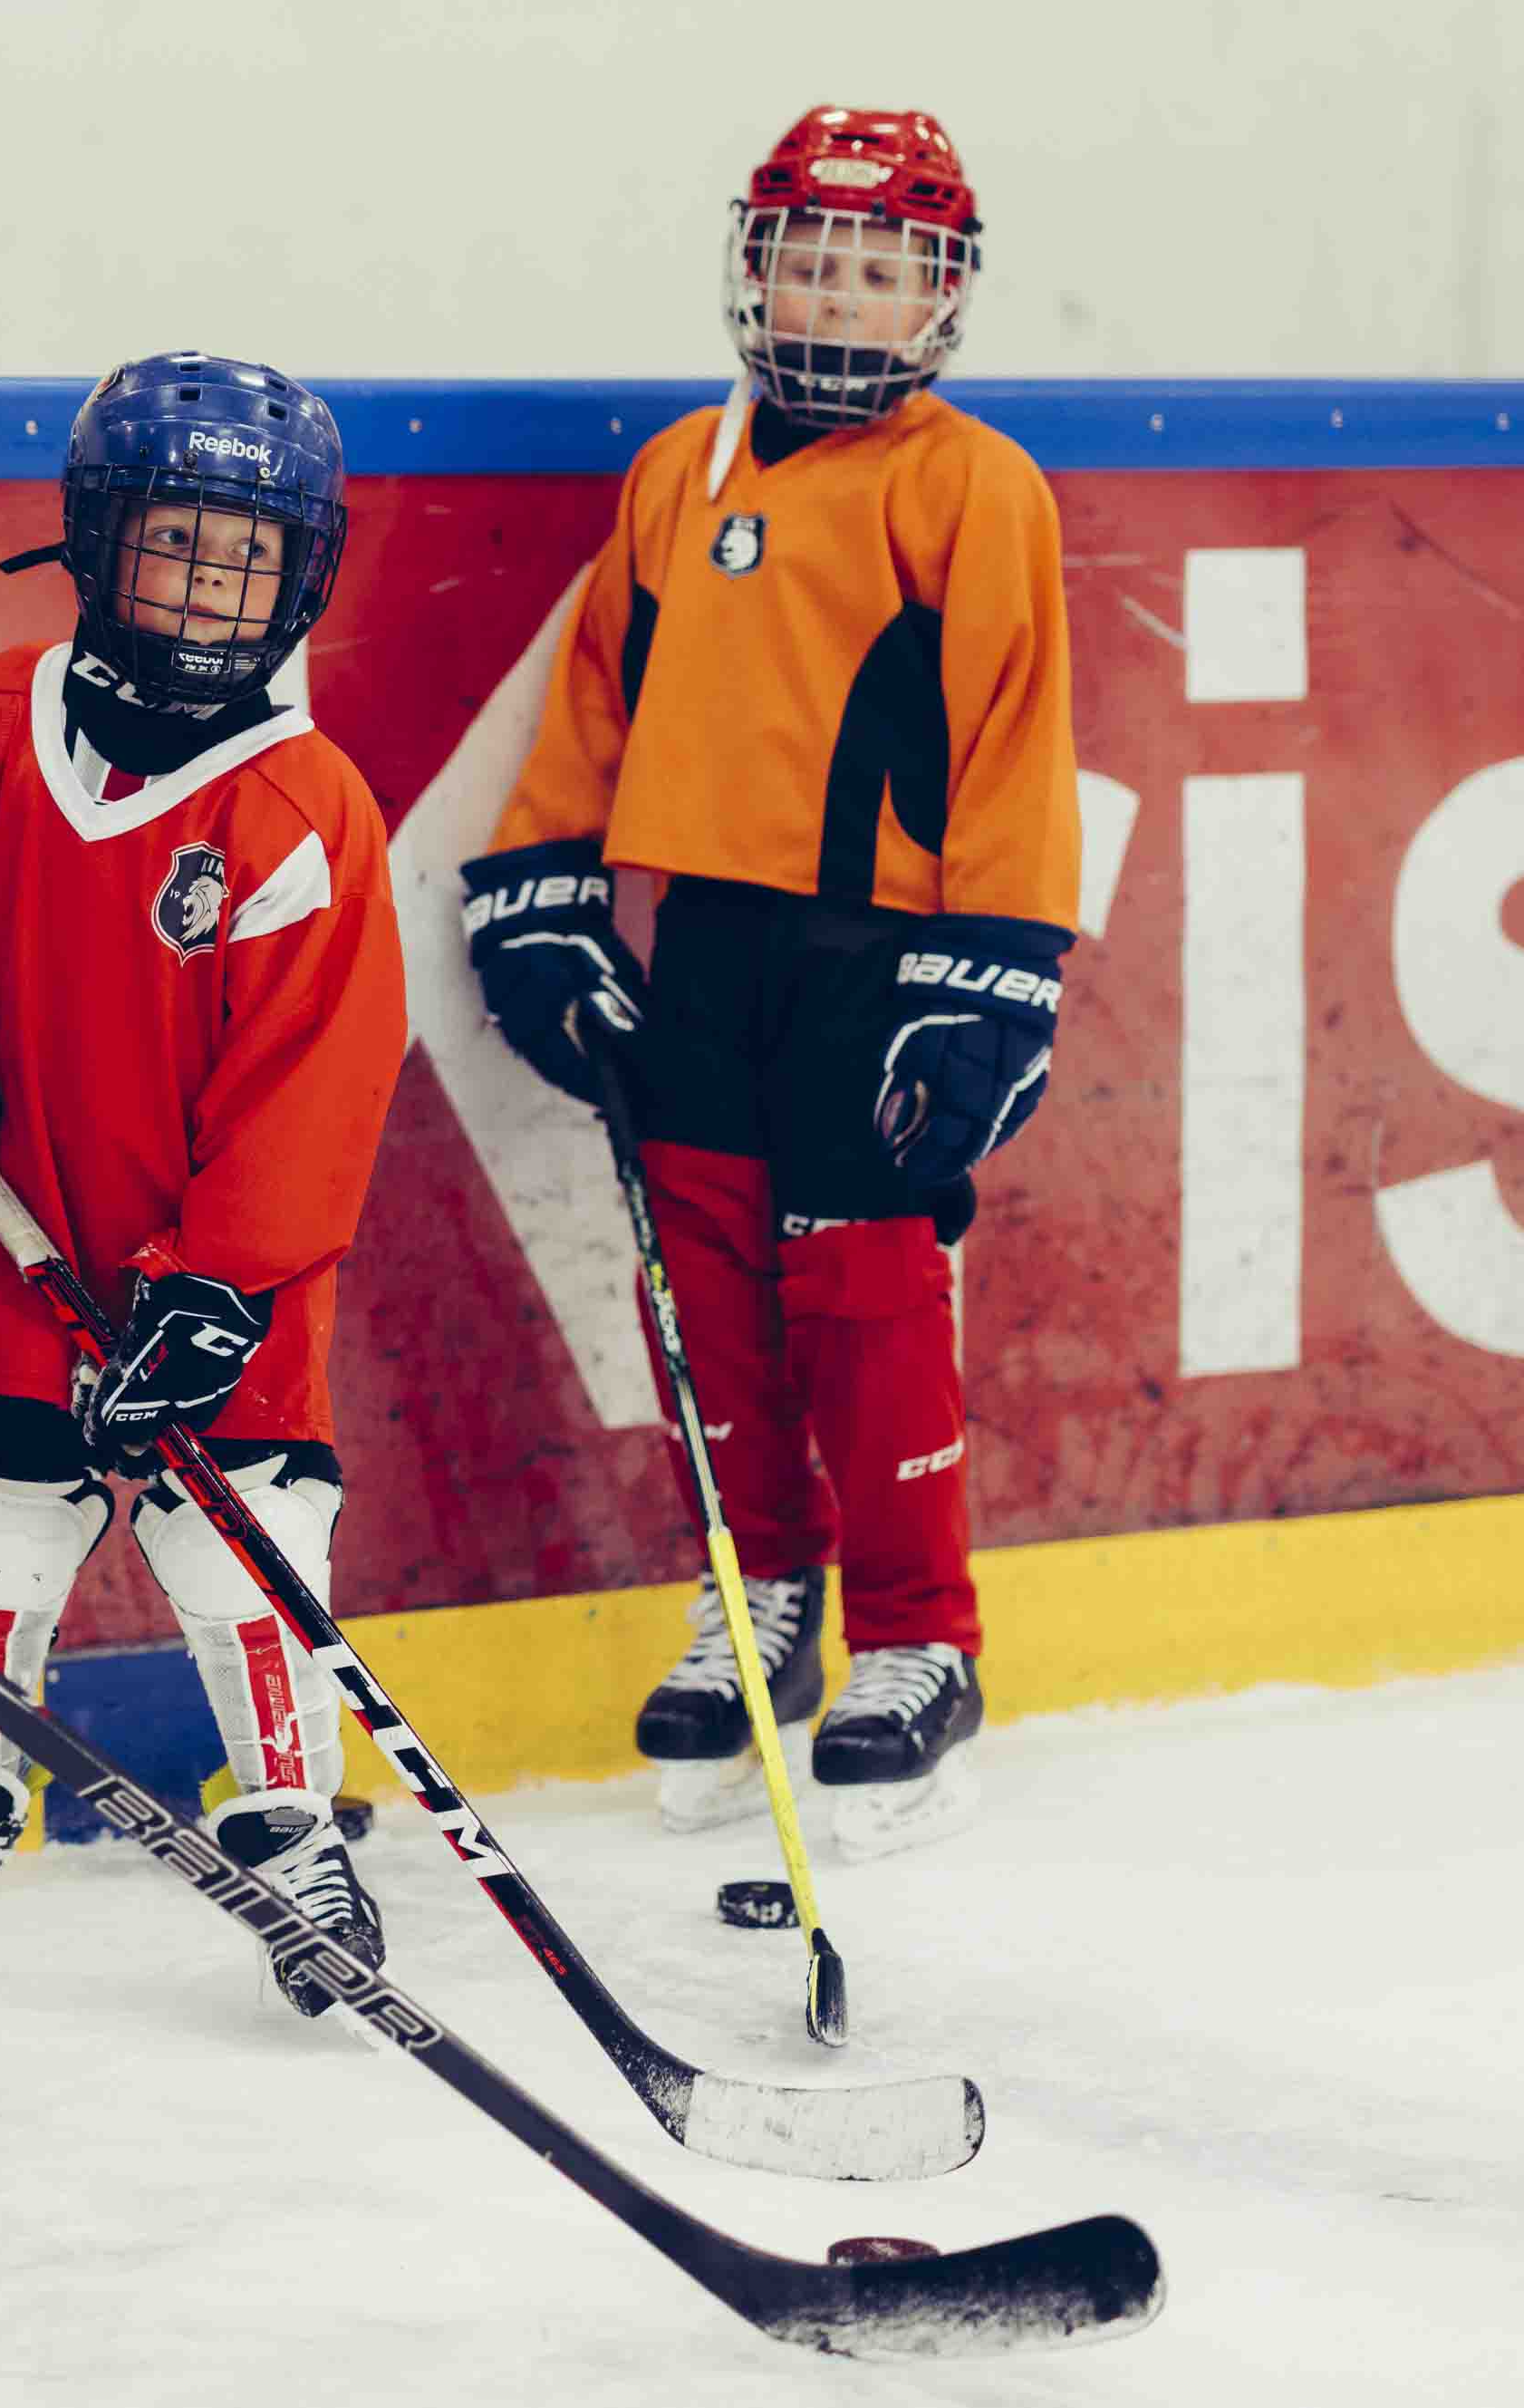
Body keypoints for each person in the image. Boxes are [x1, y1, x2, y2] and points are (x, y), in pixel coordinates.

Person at [459, 106, 1075, 1862]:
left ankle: (913, 1644)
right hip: (704, 957)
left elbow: (1015, 746)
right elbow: (589, 702)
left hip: (882, 969)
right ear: (758, 266)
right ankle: (761, 1604)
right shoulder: (679, 474)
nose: (842, 293)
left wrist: (994, 983)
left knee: (862, 1306)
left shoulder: (971, 486)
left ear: (934, 297)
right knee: (707, 1298)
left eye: (881, 269)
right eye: (815, 256)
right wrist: (538, 895)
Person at [0, 354, 409, 2016]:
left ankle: (294, 1831)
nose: (215, 588)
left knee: (245, 1554)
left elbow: (314, 1079)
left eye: (252, 555)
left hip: (211, 1283)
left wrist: (223, 1279)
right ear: (96, 540)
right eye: (178, 545)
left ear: (307, 571)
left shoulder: (304, 807)